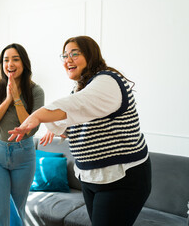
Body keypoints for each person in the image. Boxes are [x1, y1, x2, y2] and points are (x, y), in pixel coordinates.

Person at [9, 36, 152, 226]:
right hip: (91, 177)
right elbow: (79, 119)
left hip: (120, 177)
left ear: (91, 55)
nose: (68, 60)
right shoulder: (79, 89)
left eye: (74, 54)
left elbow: (77, 105)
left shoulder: (107, 81)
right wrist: (61, 129)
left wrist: (39, 115)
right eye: (65, 56)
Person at [0, 43, 44, 225]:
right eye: (6, 60)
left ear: (24, 63)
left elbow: (31, 128)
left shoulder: (36, 91)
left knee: (17, 213)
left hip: (24, 156)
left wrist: (17, 97)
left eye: (15, 59)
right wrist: (8, 99)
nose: (10, 63)